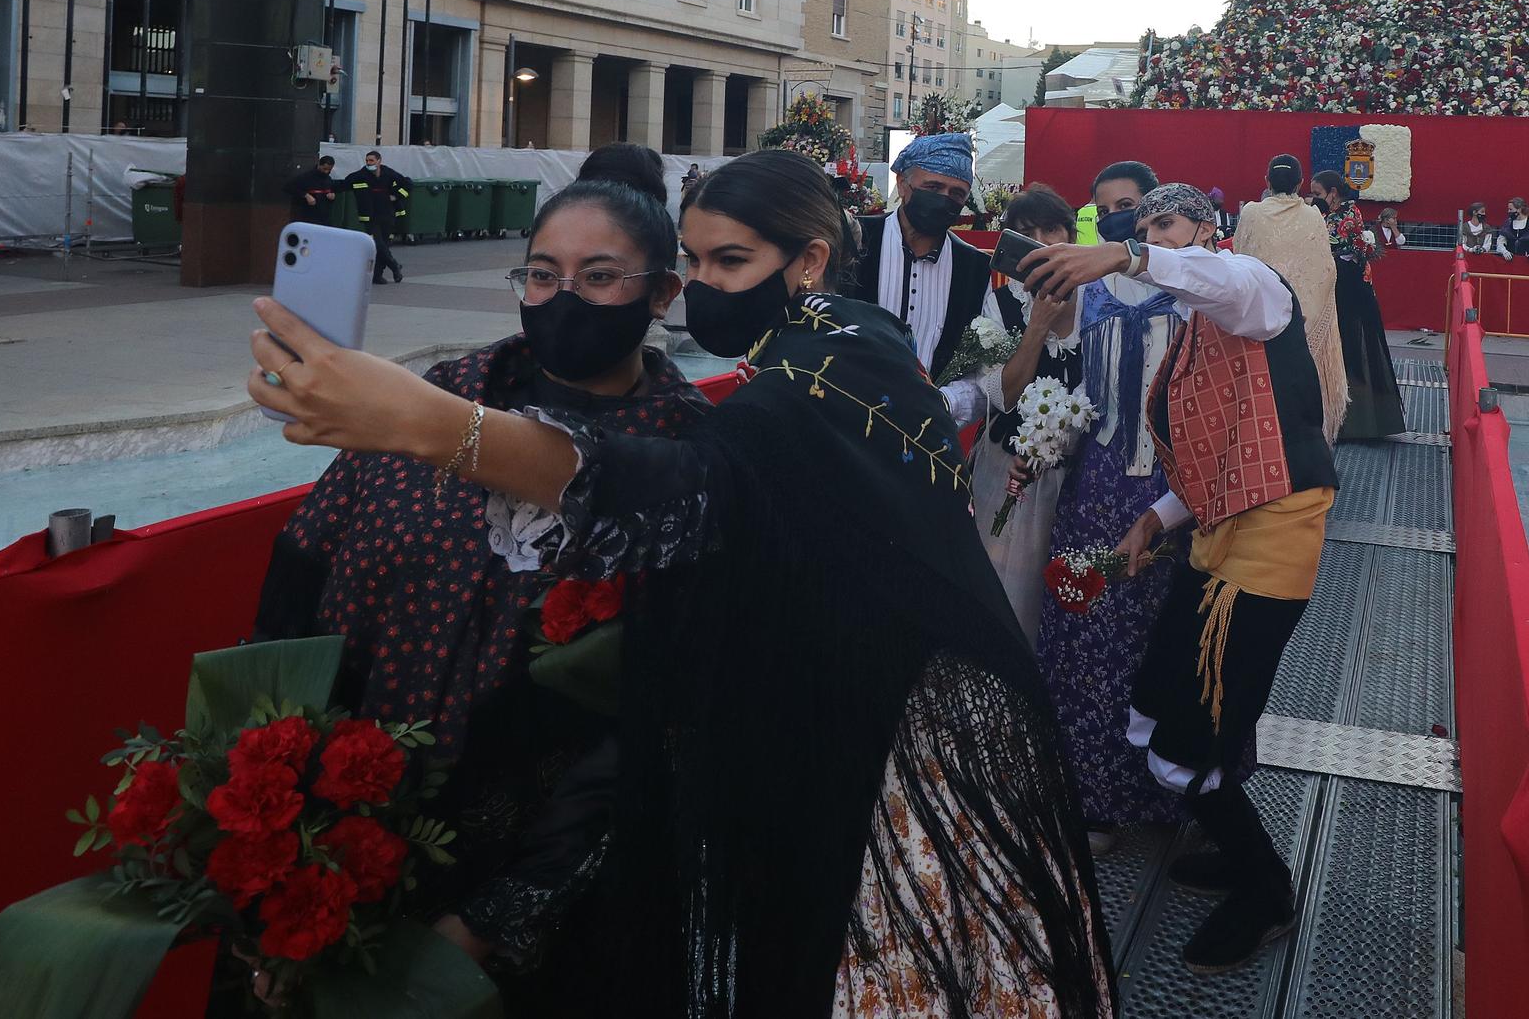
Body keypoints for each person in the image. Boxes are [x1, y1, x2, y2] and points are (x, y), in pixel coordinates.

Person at [248, 148, 1115, 1017]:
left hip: (862, 779)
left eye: (727, 262)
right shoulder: (839, 348)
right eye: (542, 274)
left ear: (806, 260)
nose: (705, 287)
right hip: (380, 824)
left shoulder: (778, 396)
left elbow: (679, 495)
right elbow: (296, 604)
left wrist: (435, 428)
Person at [252, 143, 708, 1010]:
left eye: (599, 276)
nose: (563, 297)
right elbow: (293, 604)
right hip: (349, 843)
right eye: (542, 273)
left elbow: (661, 728)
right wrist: (276, 853)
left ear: (661, 295)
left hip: (544, 906)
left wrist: (492, 921)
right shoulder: (432, 399)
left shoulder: (680, 461)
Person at [1021, 182, 1339, 976]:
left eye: (1165, 221)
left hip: (1270, 539)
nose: (1152, 233)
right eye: (1142, 224)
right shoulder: (1198, 324)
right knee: (1154, 705)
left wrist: (1129, 252)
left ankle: (1266, 888)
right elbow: (1211, 450)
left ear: (1206, 228)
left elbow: (1228, 285)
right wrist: (1155, 519)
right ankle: (1236, 850)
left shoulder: (1251, 285)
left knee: (1190, 736)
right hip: (1216, 533)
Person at [1036, 160, 1189, 846]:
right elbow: (1065, 387)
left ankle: (1175, 799)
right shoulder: (1086, 293)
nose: (1121, 221)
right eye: (1106, 212)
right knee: (1084, 638)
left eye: (1133, 207)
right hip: (1095, 488)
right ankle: (1091, 796)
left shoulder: (1194, 294)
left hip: (1171, 496)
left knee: (1164, 642)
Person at [967, 184, 1083, 644]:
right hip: (1010, 471)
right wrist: (1035, 327)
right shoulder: (1002, 302)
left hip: (1083, 475)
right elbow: (1002, 395)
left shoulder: (1100, 298)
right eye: (1026, 232)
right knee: (1007, 598)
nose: (1042, 240)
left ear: (1070, 233)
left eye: (1051, 228)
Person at [847, 130, 993, 380]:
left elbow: (977, 373)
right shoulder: (856, 240)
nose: (943, 199)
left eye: (956, 193)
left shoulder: (975, 269)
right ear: (903, 184)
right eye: (933, 187)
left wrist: (942, 403)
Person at [1232, 154, 1349, 444]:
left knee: (1262, 392)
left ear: (1266, 182)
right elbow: (1325, 269)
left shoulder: (1251, 213)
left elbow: (1238, 260)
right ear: (1300, 184)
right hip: (1303, 323)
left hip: (1259, 324)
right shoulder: (1312, 216)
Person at [1309, 170, 1406, 440]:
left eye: (1317, 194)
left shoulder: (1348, 215)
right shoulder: (1323, 214)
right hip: (1333, 290)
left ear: (1333, 193)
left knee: (1352, 350)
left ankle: (1359, 422)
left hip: (1351, 292)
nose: (1313, 198)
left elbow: (1336, 247)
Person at [346, 149, 411, 284]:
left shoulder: (388, 173)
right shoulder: (361, 175)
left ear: (379, 161)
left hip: (387, 214)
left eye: (372, 161)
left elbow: (408, 184)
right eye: (367, 160)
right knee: (378, 244)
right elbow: (344, 184)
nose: (369, 163)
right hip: (371, 216)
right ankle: (394, 266)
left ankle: (378, 275)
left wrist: (397, 196)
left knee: (384, 245)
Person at [284, 155, 338, 225]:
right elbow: (288, 187)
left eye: (329, 170)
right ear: (319, 165)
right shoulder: (306, 177)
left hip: (324, 218)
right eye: (324, 169)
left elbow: (330, 192)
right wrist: (306, 195)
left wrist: (332, 196)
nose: (326, 172)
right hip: (308, 217)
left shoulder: (328, 179)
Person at [1495, 196, 1529, 261]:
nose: (1508, 211)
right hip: (1509, 261)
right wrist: (1504, 251)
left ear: (1519, 209)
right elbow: (1500, 241)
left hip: (1528, 261)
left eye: (1511, 209)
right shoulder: (1508, 222)